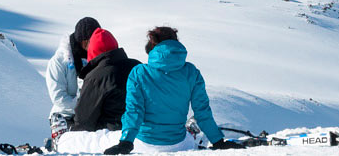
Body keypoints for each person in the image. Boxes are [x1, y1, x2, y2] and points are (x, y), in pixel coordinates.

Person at [104, 27, 243, 154]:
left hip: (142, 144)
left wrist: (126, 142)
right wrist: (218, 141)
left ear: (152, 45)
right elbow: (202, 111)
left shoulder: (139, 73)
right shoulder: (191, 72)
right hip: (180, 144)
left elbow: (134, 111)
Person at [53, 28, 141, 153]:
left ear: (93, 51)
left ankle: (59, 143)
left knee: (68, 140)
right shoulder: (137, 66)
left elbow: (84, 122)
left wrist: (69, 127)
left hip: (112, 135)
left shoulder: (96, 77)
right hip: (140, 132)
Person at [46, 17, 101, 139]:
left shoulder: (96, 57)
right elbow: (58, 97)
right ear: (84, 41)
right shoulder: (59, 62)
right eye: (94, 40)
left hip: (89, 114)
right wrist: (83, 107)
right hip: (64, 116)